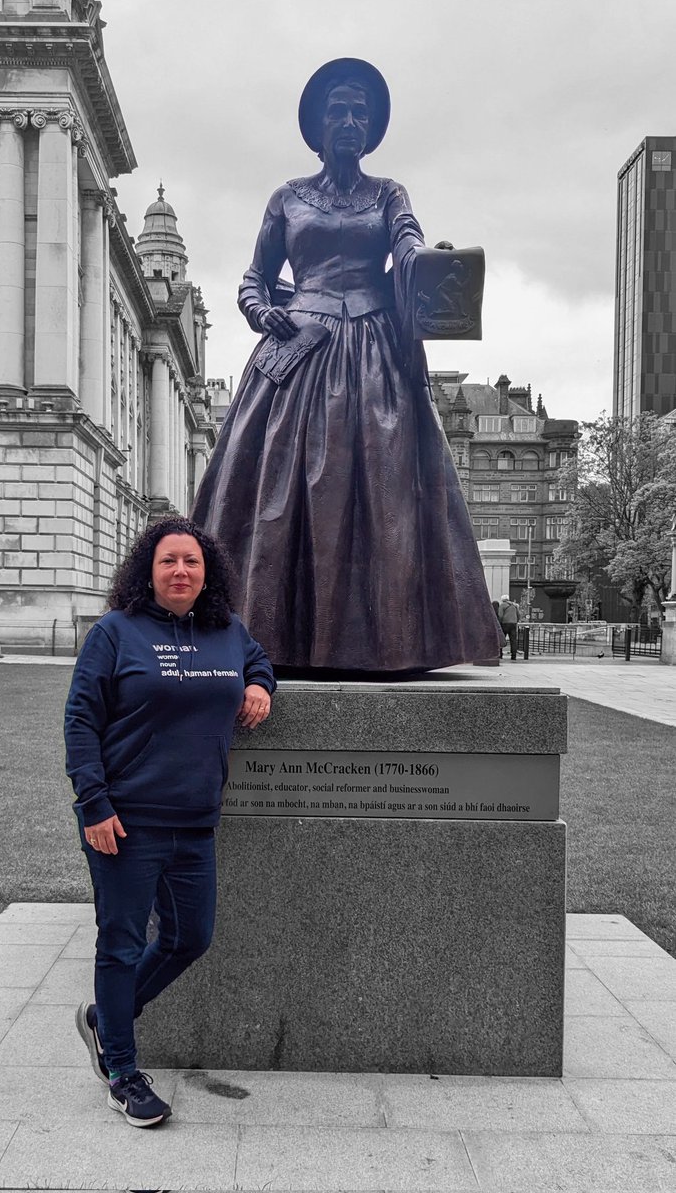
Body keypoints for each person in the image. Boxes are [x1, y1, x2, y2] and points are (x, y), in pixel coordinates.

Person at [191, 57, 504, 673]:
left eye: (362, 112)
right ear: (317, 121)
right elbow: (255, 278)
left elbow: (407, 240)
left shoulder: (389, 194)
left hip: (373, 358)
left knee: (384, 493)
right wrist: (261, 311)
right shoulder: (287, 197)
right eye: (340, 109)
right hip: (299, 351)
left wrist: (425, 262)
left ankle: (387, 641)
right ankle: (271, 635)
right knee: (279, 494)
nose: (351, 122)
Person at [64, 517, 275, 1128]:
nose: (180, 571)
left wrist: (259, 684)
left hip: (196, 820)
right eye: (168, 562)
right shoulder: (115, 633)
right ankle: (123, 1073)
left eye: (191, 562)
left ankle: (106, 1020)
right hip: (126, 823)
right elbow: (81, 722)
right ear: (147, 572)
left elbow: (258, 661)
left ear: (207, 573)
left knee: (190, 938)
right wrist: (94, 805)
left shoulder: (227, 631)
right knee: (122, 943)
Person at [498, 594, 521, 661]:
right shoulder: (514, 605)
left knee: (501, 639)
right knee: (513, 640)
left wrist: (500, 622)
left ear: (502, 599)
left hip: (505, 624)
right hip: (513, 624)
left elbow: (500, 615)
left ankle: (500, 654)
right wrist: (516, 621)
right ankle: (513, 655)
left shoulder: (502, 605)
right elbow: (518, 615)